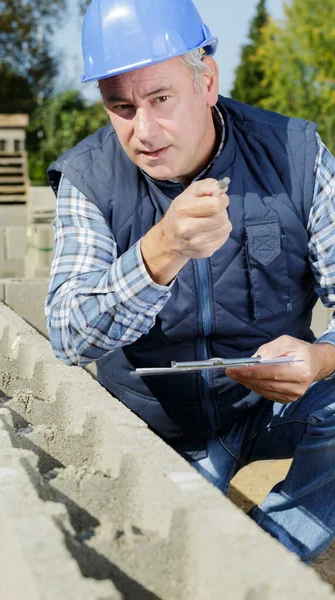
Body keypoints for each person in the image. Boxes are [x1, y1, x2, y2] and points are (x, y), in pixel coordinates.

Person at [46, 0, 335, 564]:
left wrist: (320, 360)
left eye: (160, 99)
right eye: (121, 107)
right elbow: (67, 335)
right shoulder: (89, 178)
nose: (144, 131)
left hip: (270, 405)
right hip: (163, 427)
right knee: (161, 560)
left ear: (207, 82)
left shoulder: (296, 155)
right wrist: (161, 250)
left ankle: (268, 560)